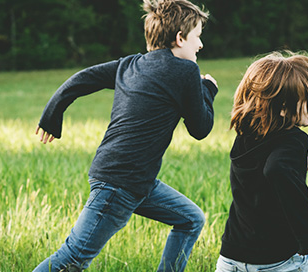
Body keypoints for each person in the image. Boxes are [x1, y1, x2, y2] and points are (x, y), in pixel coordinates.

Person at [34, 0, 218, 271]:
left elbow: (82, 79)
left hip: (133, 181)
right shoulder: (186, 70)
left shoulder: (130, 64)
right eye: (197, 37)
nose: (200, 45)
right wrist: (208, 89)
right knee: (72, 258)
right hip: (119, 183)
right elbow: (200, 128)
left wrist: (52, 115)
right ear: (180, 38)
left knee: (191, 219)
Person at [215, 51, 308, 272]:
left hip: (230, 257)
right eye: (307, 98)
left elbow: (261, 175)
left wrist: (295, 166)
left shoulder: (245, 134)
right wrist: (306, 239)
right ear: (284, 107)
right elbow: (276, 170)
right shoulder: (294, 138)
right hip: (275, 261)